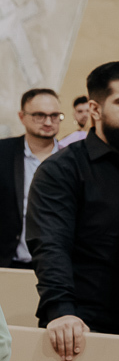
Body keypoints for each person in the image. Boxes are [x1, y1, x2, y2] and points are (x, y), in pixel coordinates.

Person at [26, 61, 119, 361]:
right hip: (82, 324)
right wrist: (61, 310)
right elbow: (50, 246)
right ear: (95, 110)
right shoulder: (62, 170)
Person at [0, 89, 61, 268]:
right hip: (9, 260)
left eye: (54, 116)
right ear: (22, 116)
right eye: (39, 116)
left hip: (57, 265)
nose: (48, 122)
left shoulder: (72, 158)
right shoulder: (4, 153)